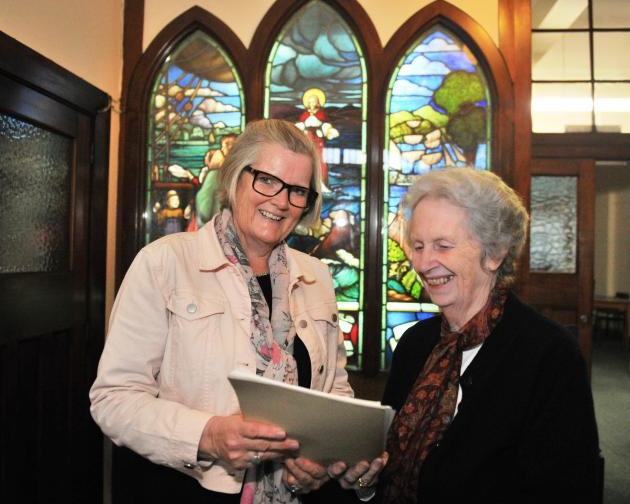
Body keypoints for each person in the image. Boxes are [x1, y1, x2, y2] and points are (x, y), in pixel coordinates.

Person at [90, 119, 386, 503]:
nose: (280, 201)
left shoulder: (315, 275)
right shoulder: (164, 262)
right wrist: (207, 434)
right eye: (266, 180)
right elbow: (113, 399)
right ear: (234, 178)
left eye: (298, 191)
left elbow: (335, 392)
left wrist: (327, 456)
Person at [378, 167, 600, 503]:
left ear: (494, 252)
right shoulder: (414, 344)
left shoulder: (548, 354)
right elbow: (384, 463)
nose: (423, 263)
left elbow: (568, 489)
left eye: (443, 245)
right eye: (418, 246)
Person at [295, 88, 338, 190]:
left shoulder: (321, 114)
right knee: (305, 159)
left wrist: (327, 130)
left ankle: (321, 183)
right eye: (310, 101)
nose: (312, 103)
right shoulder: (305, 114)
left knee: (318, 160)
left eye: (314, 101)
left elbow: (324, 126)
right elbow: (302, 124)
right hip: (307, 139)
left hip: (318, 140)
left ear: (318, 102)